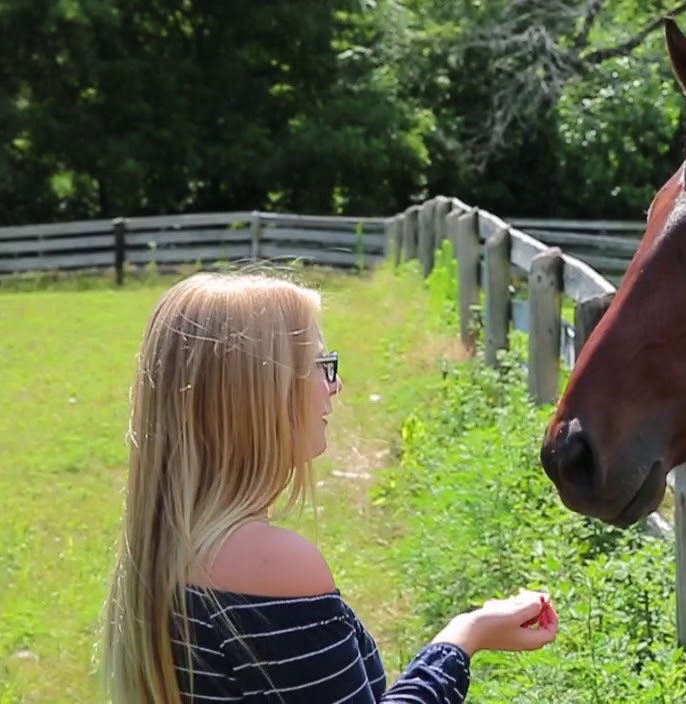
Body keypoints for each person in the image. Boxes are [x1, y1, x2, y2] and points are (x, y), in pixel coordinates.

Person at [99, 270, 558, 703]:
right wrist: (463, 639)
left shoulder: (159, 546)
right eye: (320, 364)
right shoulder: (269, 562)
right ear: (261, 392)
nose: (334, 387)